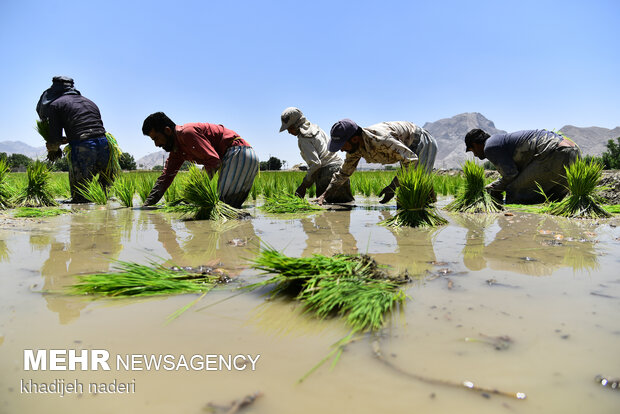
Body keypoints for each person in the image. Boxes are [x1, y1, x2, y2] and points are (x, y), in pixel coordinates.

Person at [142, 112, 259, 208]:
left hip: (239, 154)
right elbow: (166, 177)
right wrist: (147, 203)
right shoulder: (176, 151)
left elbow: (213, 161)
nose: (156, 144)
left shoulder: (187, 133)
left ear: (167, 131)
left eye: (156, 138)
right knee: (230, 207)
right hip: (238, 158)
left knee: (223, 206)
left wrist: (194, 192)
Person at [316, 119, 438, 204]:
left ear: (354, 139)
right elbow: (343, 173)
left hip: (421, 142)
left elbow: (411, 161)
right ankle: (430, 202)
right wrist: (324, 195)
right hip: (407, 150)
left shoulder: (381, 140)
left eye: (342, 145)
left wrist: (393, 187)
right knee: (417, 189)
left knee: (407, 197)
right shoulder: (355, 149)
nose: (341, 150)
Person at [36, 76, 113, 203]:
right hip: (106, 144)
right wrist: (69, 138)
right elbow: (90, 128)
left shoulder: (56, 105)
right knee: (104, 194)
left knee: (80, 196)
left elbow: (55, 138)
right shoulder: (89, 102)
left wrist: (52, 150)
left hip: (83, 146)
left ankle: (81, 220)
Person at [464, 128, 581, 204]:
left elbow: (510, 175)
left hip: (554, 153)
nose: (474, 155)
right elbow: (516, 173)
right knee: (552, 198)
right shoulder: (500, 142)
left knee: (513, 192)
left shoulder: (489, 146)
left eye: (472, 150)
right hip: (574, 152)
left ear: (475, 144)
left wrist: (494, 188)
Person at [279, 107, 353, 203]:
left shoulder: (303, 138)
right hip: (340, 169)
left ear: (296, 124)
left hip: (327, 174)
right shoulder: (316, 128)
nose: (289, 132)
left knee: (326, 212)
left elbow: (316, 164)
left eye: (290, 128)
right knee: (345, 208)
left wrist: (303, 186)